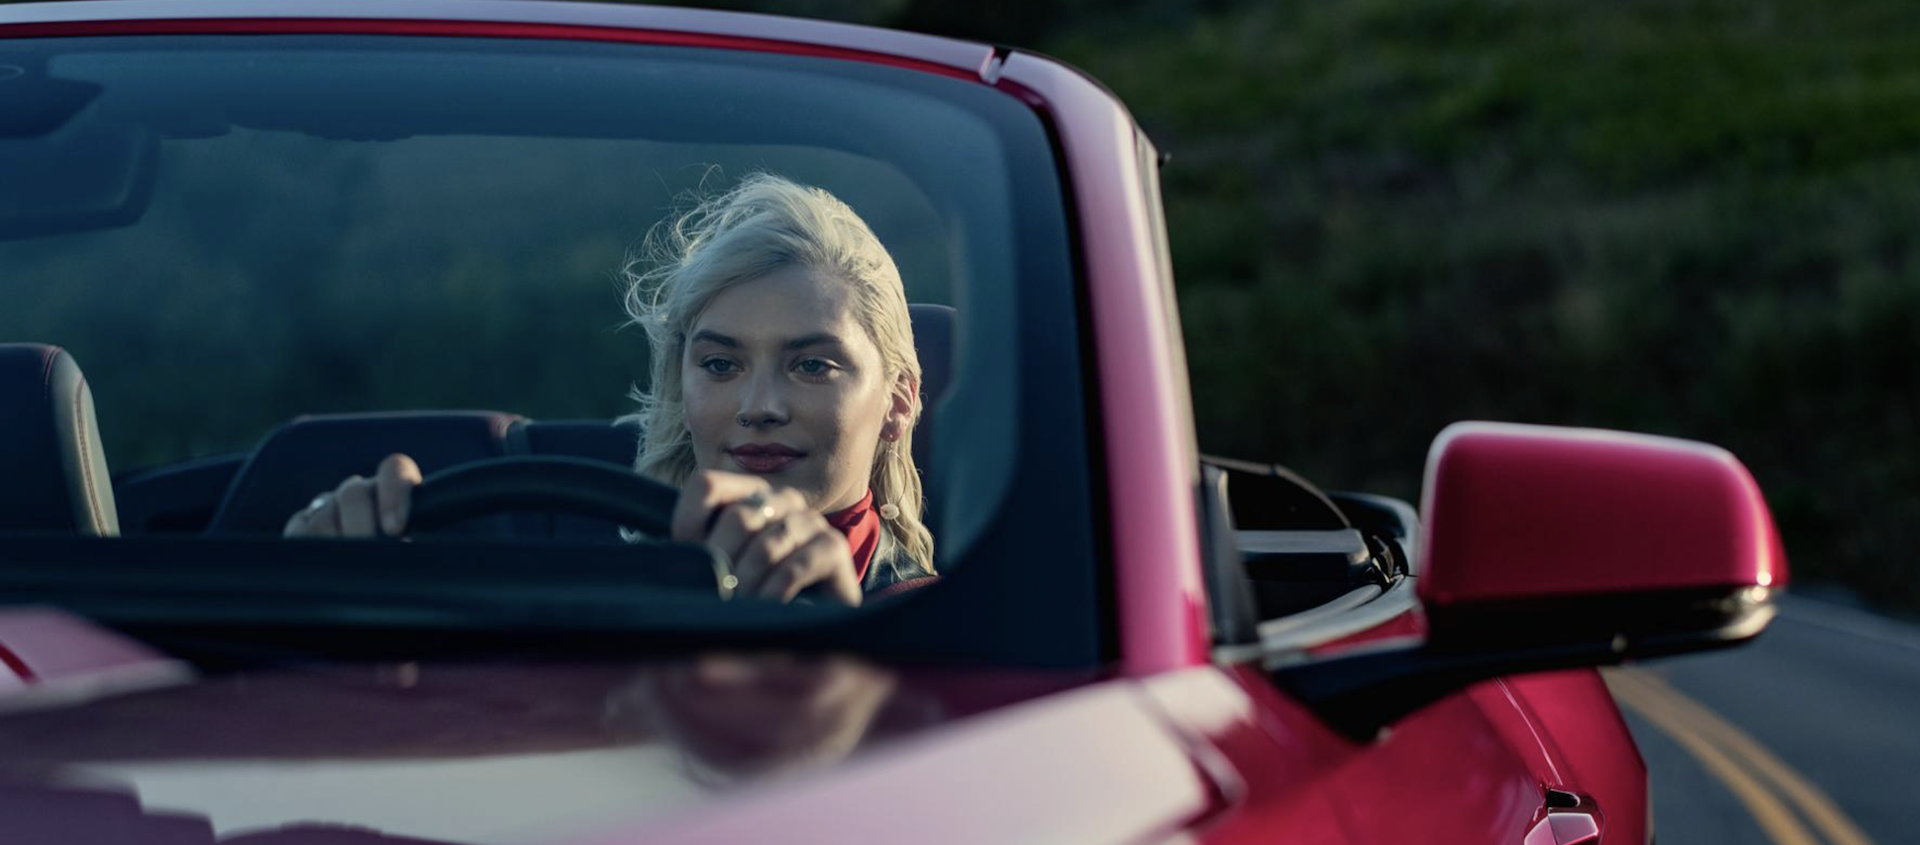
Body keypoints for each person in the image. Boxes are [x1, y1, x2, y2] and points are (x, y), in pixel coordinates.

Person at [284, 173, 937, 605]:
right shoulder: (589, 591)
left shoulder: (951, 629)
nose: (758, 406)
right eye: (719, 364)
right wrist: (349, 596)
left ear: (900, 399)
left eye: (812, 365)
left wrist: (845, 638)